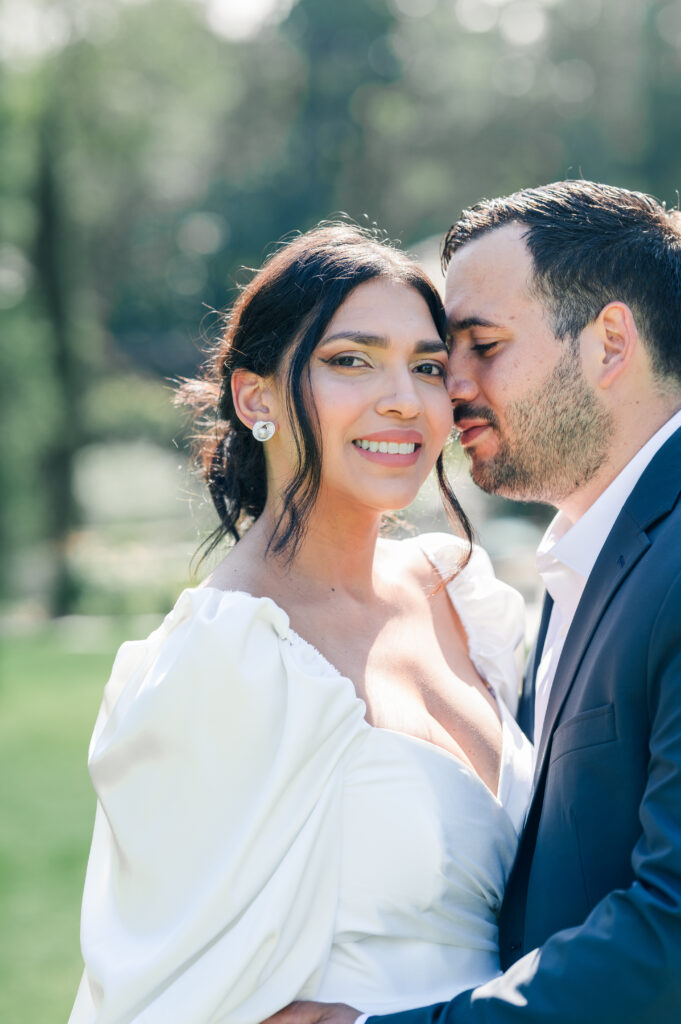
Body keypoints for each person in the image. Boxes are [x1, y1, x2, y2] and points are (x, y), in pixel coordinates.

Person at [69, 222, 534, 1023]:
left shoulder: (459, 594)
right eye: (349, 360)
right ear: (256, 397)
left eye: (426, 366)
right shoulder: (225, 664)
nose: (402, 397)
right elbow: (160, 991)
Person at [265, 181, 681, 1024]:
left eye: (481, 345)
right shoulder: (587, 557)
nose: (443, 386)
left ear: (607, 344)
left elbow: (669, 932)